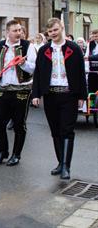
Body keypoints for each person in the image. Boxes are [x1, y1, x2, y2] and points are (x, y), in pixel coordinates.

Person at [32, 18, 87, 180]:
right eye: (50, 31)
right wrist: (36, 94)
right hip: (50, 95)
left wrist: (82, 96)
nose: (53, 34)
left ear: (61, 28)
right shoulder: (44, 50)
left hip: (69, 95)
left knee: (67, 130)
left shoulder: (74, 48)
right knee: (55, 131)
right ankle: (59, 162)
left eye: (55, 30)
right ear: (47, 33)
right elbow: (38, 73)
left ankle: (66, 166)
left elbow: (80, 73)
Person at [0, 20, 37, 166]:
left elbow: (34, 67)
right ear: (7, 32)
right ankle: (3, 151)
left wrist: (23, 64)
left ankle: (16, 154)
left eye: (20, 30)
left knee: (19, 124)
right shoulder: (0, 45)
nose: (19, 33)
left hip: (22, 90)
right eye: (15, 30)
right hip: (3, 88)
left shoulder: (28, 46)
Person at [85, 29, 98, 94]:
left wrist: (89, 58)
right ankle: (91, 104)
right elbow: (87, 55)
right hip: (92, 71)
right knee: (91, 92)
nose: (96, 38)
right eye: (94, 36)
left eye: (97, 36)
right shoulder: (90, 44)